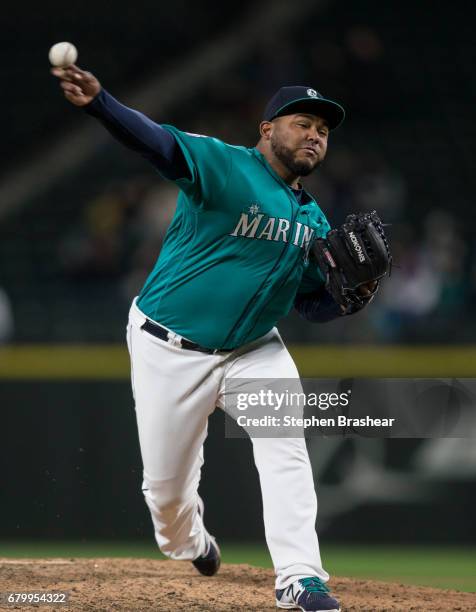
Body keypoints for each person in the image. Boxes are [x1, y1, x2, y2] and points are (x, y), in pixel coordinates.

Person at [52, 65, 374, 612]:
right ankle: (191, 540)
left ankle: (300, 578)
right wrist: (101, 103)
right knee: (166, 494)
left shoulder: (316, 221)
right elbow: (156, 143)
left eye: (324, 129)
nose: (316, 134)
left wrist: (351, 298)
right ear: (268, 128)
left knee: (286, 448)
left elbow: (312, 306)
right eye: (303, 123)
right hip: (167, 346)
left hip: (254, 349)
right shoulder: (224, 165)